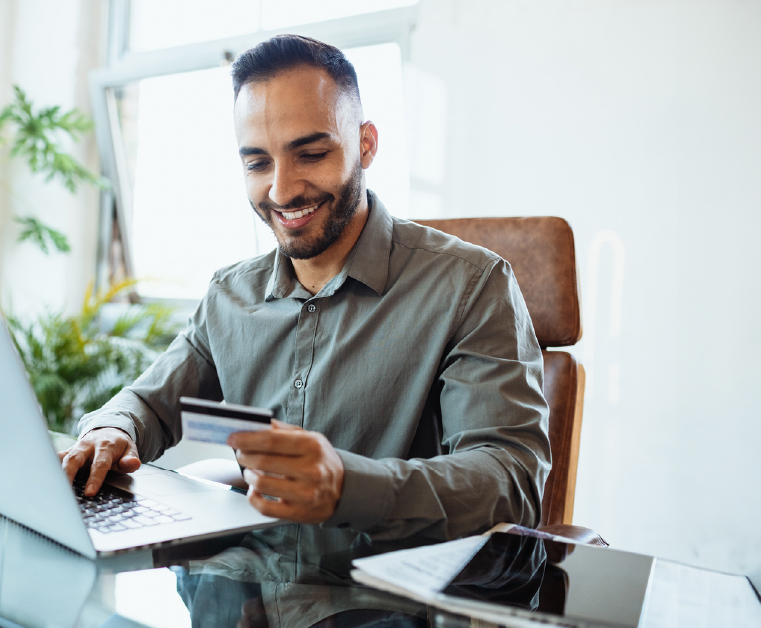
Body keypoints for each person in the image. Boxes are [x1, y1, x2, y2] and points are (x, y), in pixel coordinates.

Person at [61, 34, 551, 541]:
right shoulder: (230, 295)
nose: (281, 190)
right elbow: (150, 403)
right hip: (244, 596)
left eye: (311, 153)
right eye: (257, 163)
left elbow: (511, 480)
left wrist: (348, 485)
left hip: (385, 604)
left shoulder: (470, 285)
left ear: (365, 144)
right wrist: (111, 428)